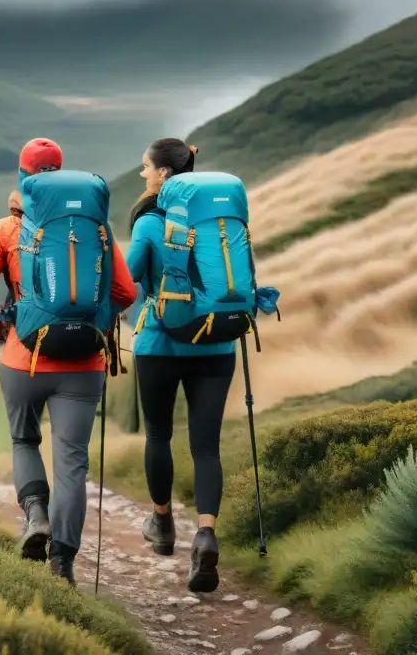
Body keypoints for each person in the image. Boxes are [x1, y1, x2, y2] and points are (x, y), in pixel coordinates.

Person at [0, 137, 138, 586]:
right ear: (62, 170)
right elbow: (125, 293)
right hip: (84, 364)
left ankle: (35, 514)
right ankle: (62, 564)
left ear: (23, 178)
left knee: (24, 440)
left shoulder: (7, 230)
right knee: (72, 464)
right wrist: (89, 320)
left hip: (25, 360)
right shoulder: (95, 225)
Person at [125, 137, 235, 594]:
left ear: (165, 175)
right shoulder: (219, 223)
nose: (142, 174)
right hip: (216, 346)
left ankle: (164, 524)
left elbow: (127, 282)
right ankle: (206, 535)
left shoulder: (150, 224)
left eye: (147, 167)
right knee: (206, 447)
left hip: (159, 344)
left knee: (158, 434)